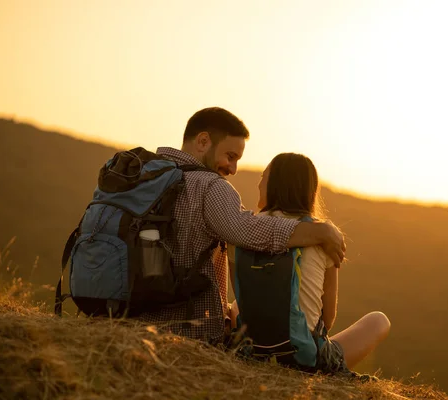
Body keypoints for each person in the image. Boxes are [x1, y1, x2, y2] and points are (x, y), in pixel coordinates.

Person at [137, 107, 346, 345]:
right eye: (230, 156)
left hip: (131, 316)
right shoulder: (210, 186)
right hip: (185, 330)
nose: (233, 169)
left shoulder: (144, 176)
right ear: (203, 141)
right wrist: (321, 231)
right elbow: (245, 231)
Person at [228, 153, 390, 375]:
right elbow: (328, 318)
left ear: (276, 184)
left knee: (235, 304)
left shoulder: (239, 234)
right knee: (379, 321)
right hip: (305, 358)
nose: (258, 182)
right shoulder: (325, 237)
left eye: (264, 176)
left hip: (253, 351)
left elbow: (243, 296)